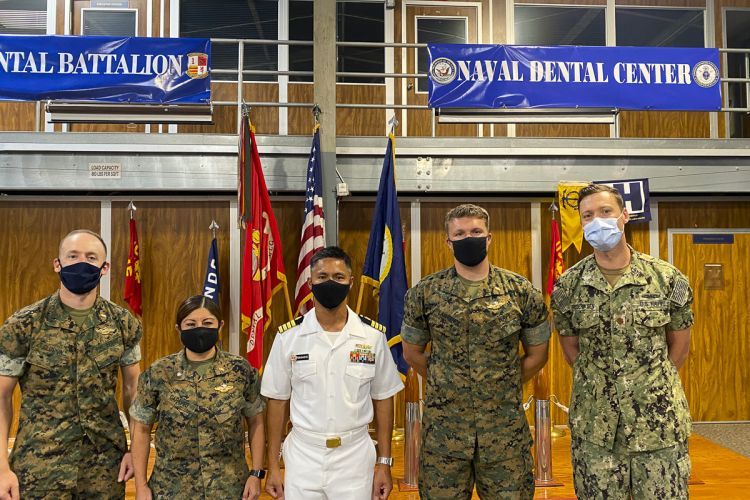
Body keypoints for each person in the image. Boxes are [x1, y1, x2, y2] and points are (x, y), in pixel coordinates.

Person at [551, 183, 694, 499]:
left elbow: (679, 346)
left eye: (605, 211)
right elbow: (571, 350)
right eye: (587, 215)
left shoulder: (666, 278)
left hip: (658, 425)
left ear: (624, 215)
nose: (597, 220)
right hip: (596, 429)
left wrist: (647, 387)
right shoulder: (568, 286)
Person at [401, 203, 550, 500]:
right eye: (460, 233)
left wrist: (502, 382)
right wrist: (449, 381)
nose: (468, 238)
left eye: (475, 231)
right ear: (448, 241)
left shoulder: (521, 292)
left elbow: (538, 355)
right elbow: (412, 353)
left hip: (504, 437)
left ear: (489, 237)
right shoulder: (425, 293)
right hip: (444, 439)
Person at [0, 229, 142, 500]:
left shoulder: (123, 324)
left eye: (91, 257)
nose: (81, 263)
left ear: (104, 267)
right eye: (72, 256)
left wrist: (136, 451)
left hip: (104, 468)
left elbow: (133, 391)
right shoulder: (23, 325)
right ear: (57, 263)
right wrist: (1, 468)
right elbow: (1, 396)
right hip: (39, 466)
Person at [261, 246, 404, 500]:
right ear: (310, 282)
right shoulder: (289, 338)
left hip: (355, 456)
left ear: (350, 282)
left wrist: (384, 463)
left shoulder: (372, 337)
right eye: (322, 277)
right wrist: (272, 465)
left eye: (338, 277)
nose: (330, 283)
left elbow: (383, 399)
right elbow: (276, 401)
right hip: (303, 456)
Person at [129, 295, 265, 500]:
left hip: (229, 488)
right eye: (190, 324)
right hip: (172, 489)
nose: (199, 329)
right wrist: (140, 486)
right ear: (179, 329)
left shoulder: (240, 370)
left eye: (207, 323)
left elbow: (255, 422)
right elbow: (141, 429)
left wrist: (256, 474)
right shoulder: (159, 372)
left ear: (220, 326)